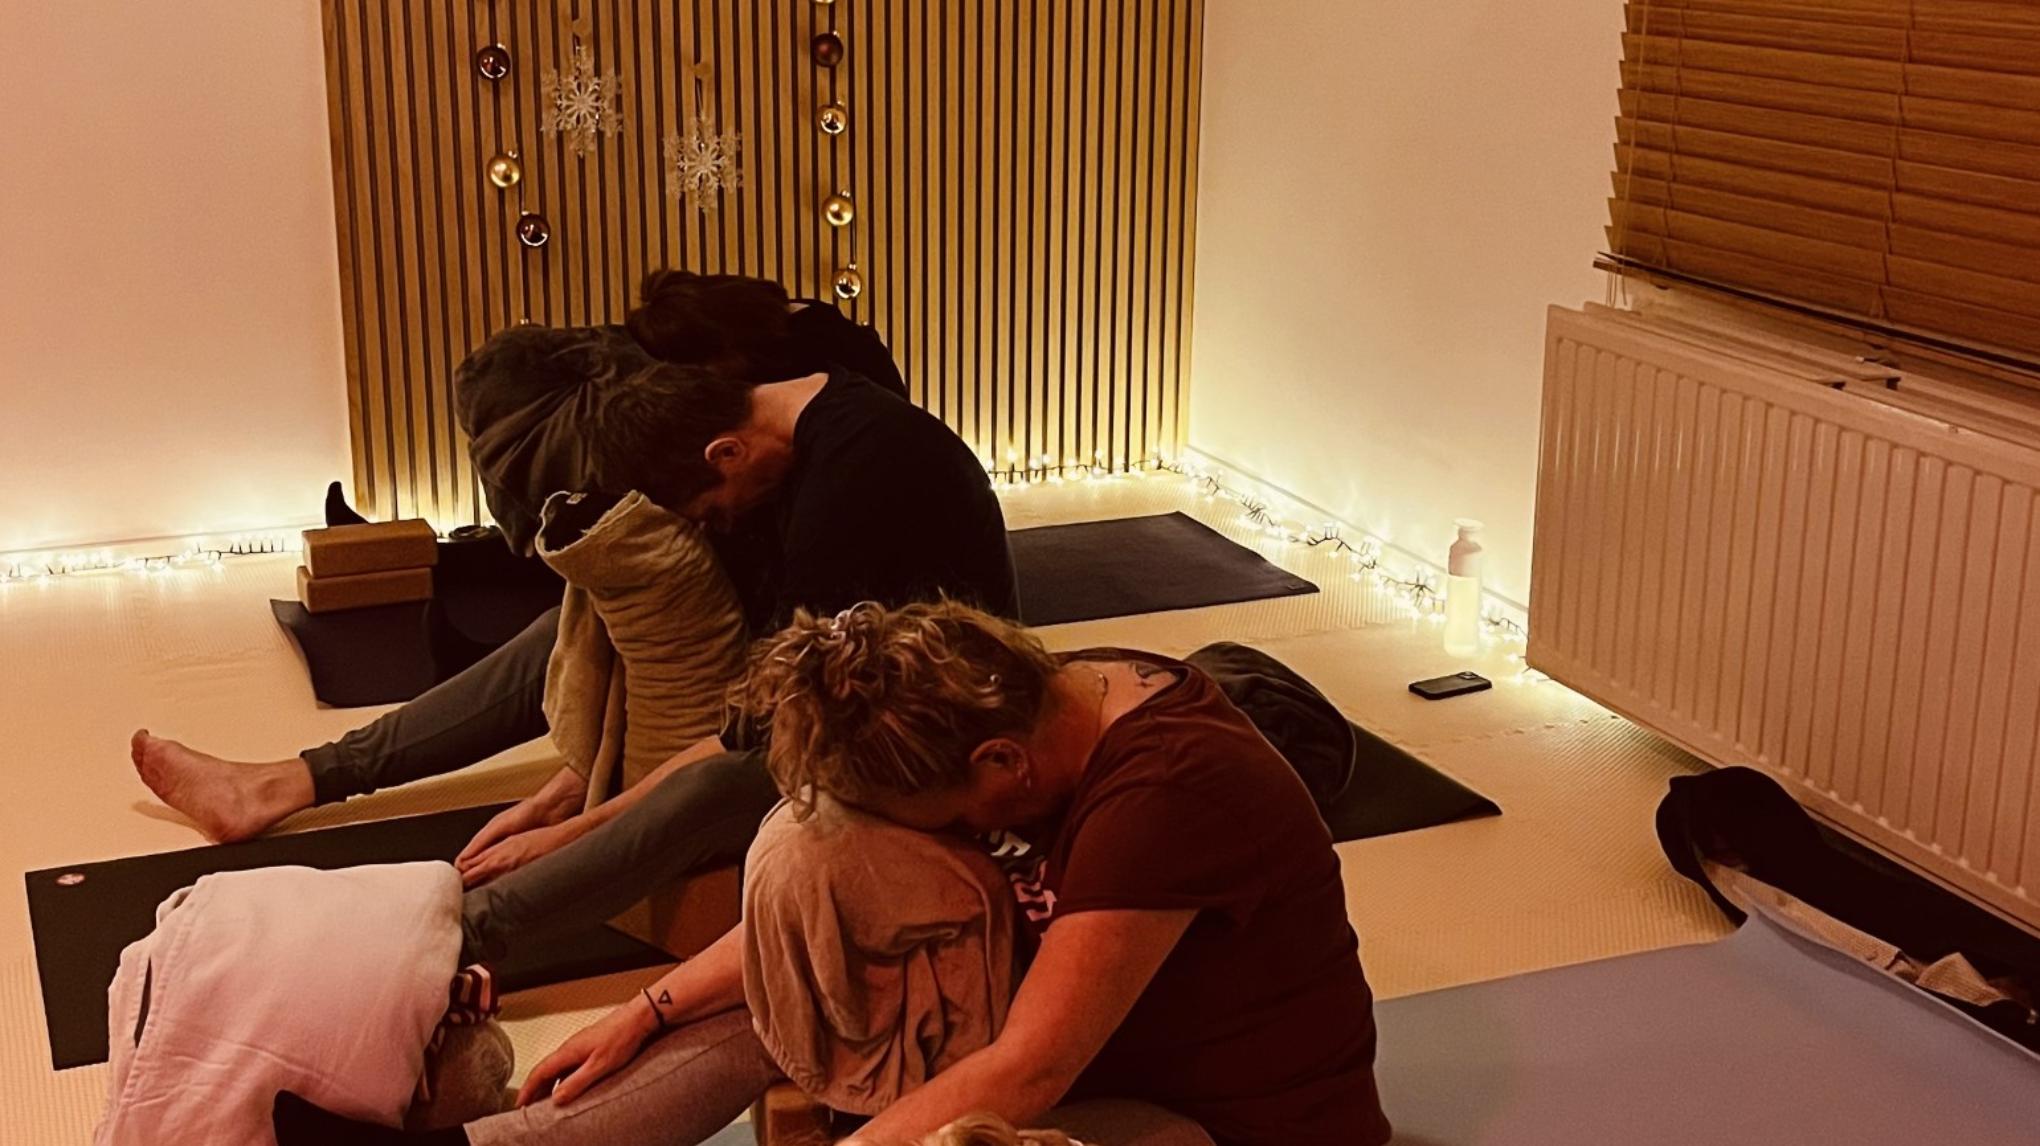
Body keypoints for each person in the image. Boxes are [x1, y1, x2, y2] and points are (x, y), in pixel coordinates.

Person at [271, 601, 1390, 1146]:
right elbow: (828, 930)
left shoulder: (1170, 791)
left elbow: (1030, 1070)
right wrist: (648, 1010)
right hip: (1042, 1043)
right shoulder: (1044, 696)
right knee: (805, 982)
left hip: (1210, 1127)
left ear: (1000, 767)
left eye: (949, 821)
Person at [130, 269, 954, 850]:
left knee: (595, 633)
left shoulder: (836, 445)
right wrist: (584, 764)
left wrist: (587, 803)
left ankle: (291, 783)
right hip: (781, 606)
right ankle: (290, 780)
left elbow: (779, 691)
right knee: (572, 628)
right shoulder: (707, 384)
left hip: (838, 657)